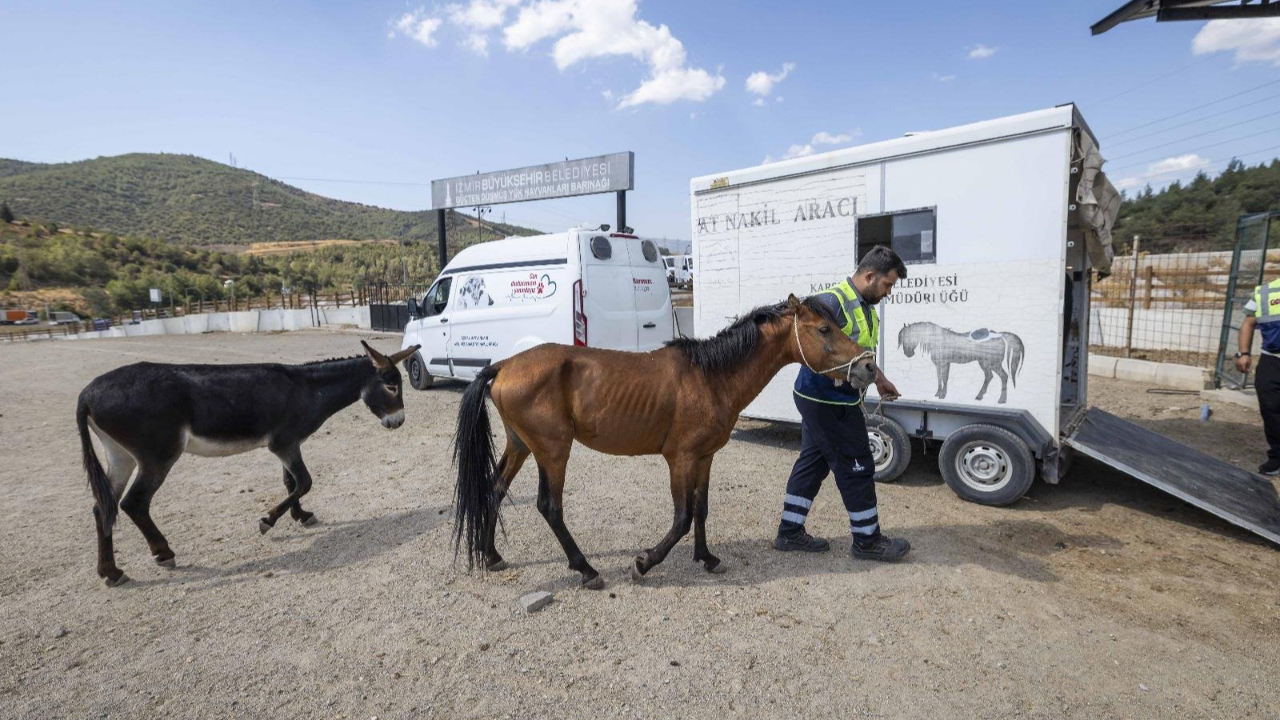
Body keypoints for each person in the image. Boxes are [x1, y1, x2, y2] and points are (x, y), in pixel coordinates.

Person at [774, 246, 909, 561]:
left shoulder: (864, 305)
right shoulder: (833, 302)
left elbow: (857, 353)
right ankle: (867, 540)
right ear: (870, 275)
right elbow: (806, 340)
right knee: (857, 465)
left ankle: (789, 532)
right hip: (827, 400)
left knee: (813, 462)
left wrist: (879, 379)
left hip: (825, 399)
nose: (888, 292)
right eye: (887, 285)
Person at [1237, 277, 1280, 476]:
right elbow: (1248, 323)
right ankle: (1278, 459)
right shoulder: (1264, 292)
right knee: (1270, 409)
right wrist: (1244, 353)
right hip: (1271, 360)